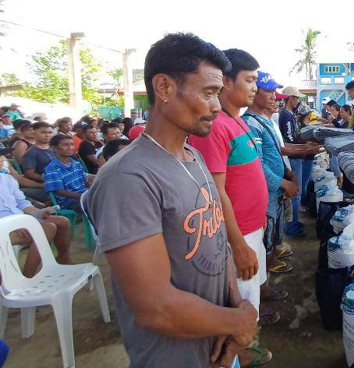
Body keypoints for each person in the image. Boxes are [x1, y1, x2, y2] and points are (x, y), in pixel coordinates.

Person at [88, 33, 257, 368]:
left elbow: (216, 241)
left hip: (218, 340)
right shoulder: (129, 178)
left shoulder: (192, 155)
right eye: (209, 93)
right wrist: (238, 322)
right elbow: (156, 307)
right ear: (164, 87)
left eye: (218, 94)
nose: (216, 105)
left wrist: (234, 306)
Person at [188, 48, 273, 364]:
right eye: (249, 80)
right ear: (225, 81)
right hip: (236, 235)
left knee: (248, 299)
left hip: (252, 227)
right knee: (237, 302)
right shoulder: (215, 127)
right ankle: (233, 353)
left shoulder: (237, 122)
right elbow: (214, 192)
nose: (254, 87)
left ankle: (242, 346)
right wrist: (237, 243)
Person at [243, 72, 299, 278]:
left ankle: (271, 257)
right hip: (266, 190)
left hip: (275, 188)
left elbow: (276, 152)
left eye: (274, 91)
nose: (274, 96)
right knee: (266, 230)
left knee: (275, 225)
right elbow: (258, 165)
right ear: (254, 92)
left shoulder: (263, 121)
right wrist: (284, 182)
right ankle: (264, 273)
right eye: (268, 91)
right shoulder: (250, 123)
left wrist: (287, 174)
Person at [1, 172, 72, 277]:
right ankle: (28, 275)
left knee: (62, 221)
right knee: (48, 228)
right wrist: (13, 225)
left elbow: (22, 203)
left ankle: (63, 259)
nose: (2, 161)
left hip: (19, 220)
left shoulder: (7, 178)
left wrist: (38, 213)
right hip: (4, 227)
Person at [278, 86, 310, 237]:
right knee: (295, 192)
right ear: (289, 98)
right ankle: (292, 225)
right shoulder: (286, 115)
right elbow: (289, 139)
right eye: (296, 98)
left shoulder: (288, 114)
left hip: (295, 156)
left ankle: (294, 221)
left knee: (296, 191)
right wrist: (305, 148)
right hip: (293, 158)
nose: (297, 100)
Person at [43, 135, 95, 211]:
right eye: (65, 145)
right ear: (55, 148)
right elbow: (60, 191)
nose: (70, 147)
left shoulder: (76, 164)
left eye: (72, 144)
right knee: (98, 202)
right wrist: (83, 196)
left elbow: (85, 183)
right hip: (68, 202)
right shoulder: (52, 168)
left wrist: (95, 190)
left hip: (83, 195)